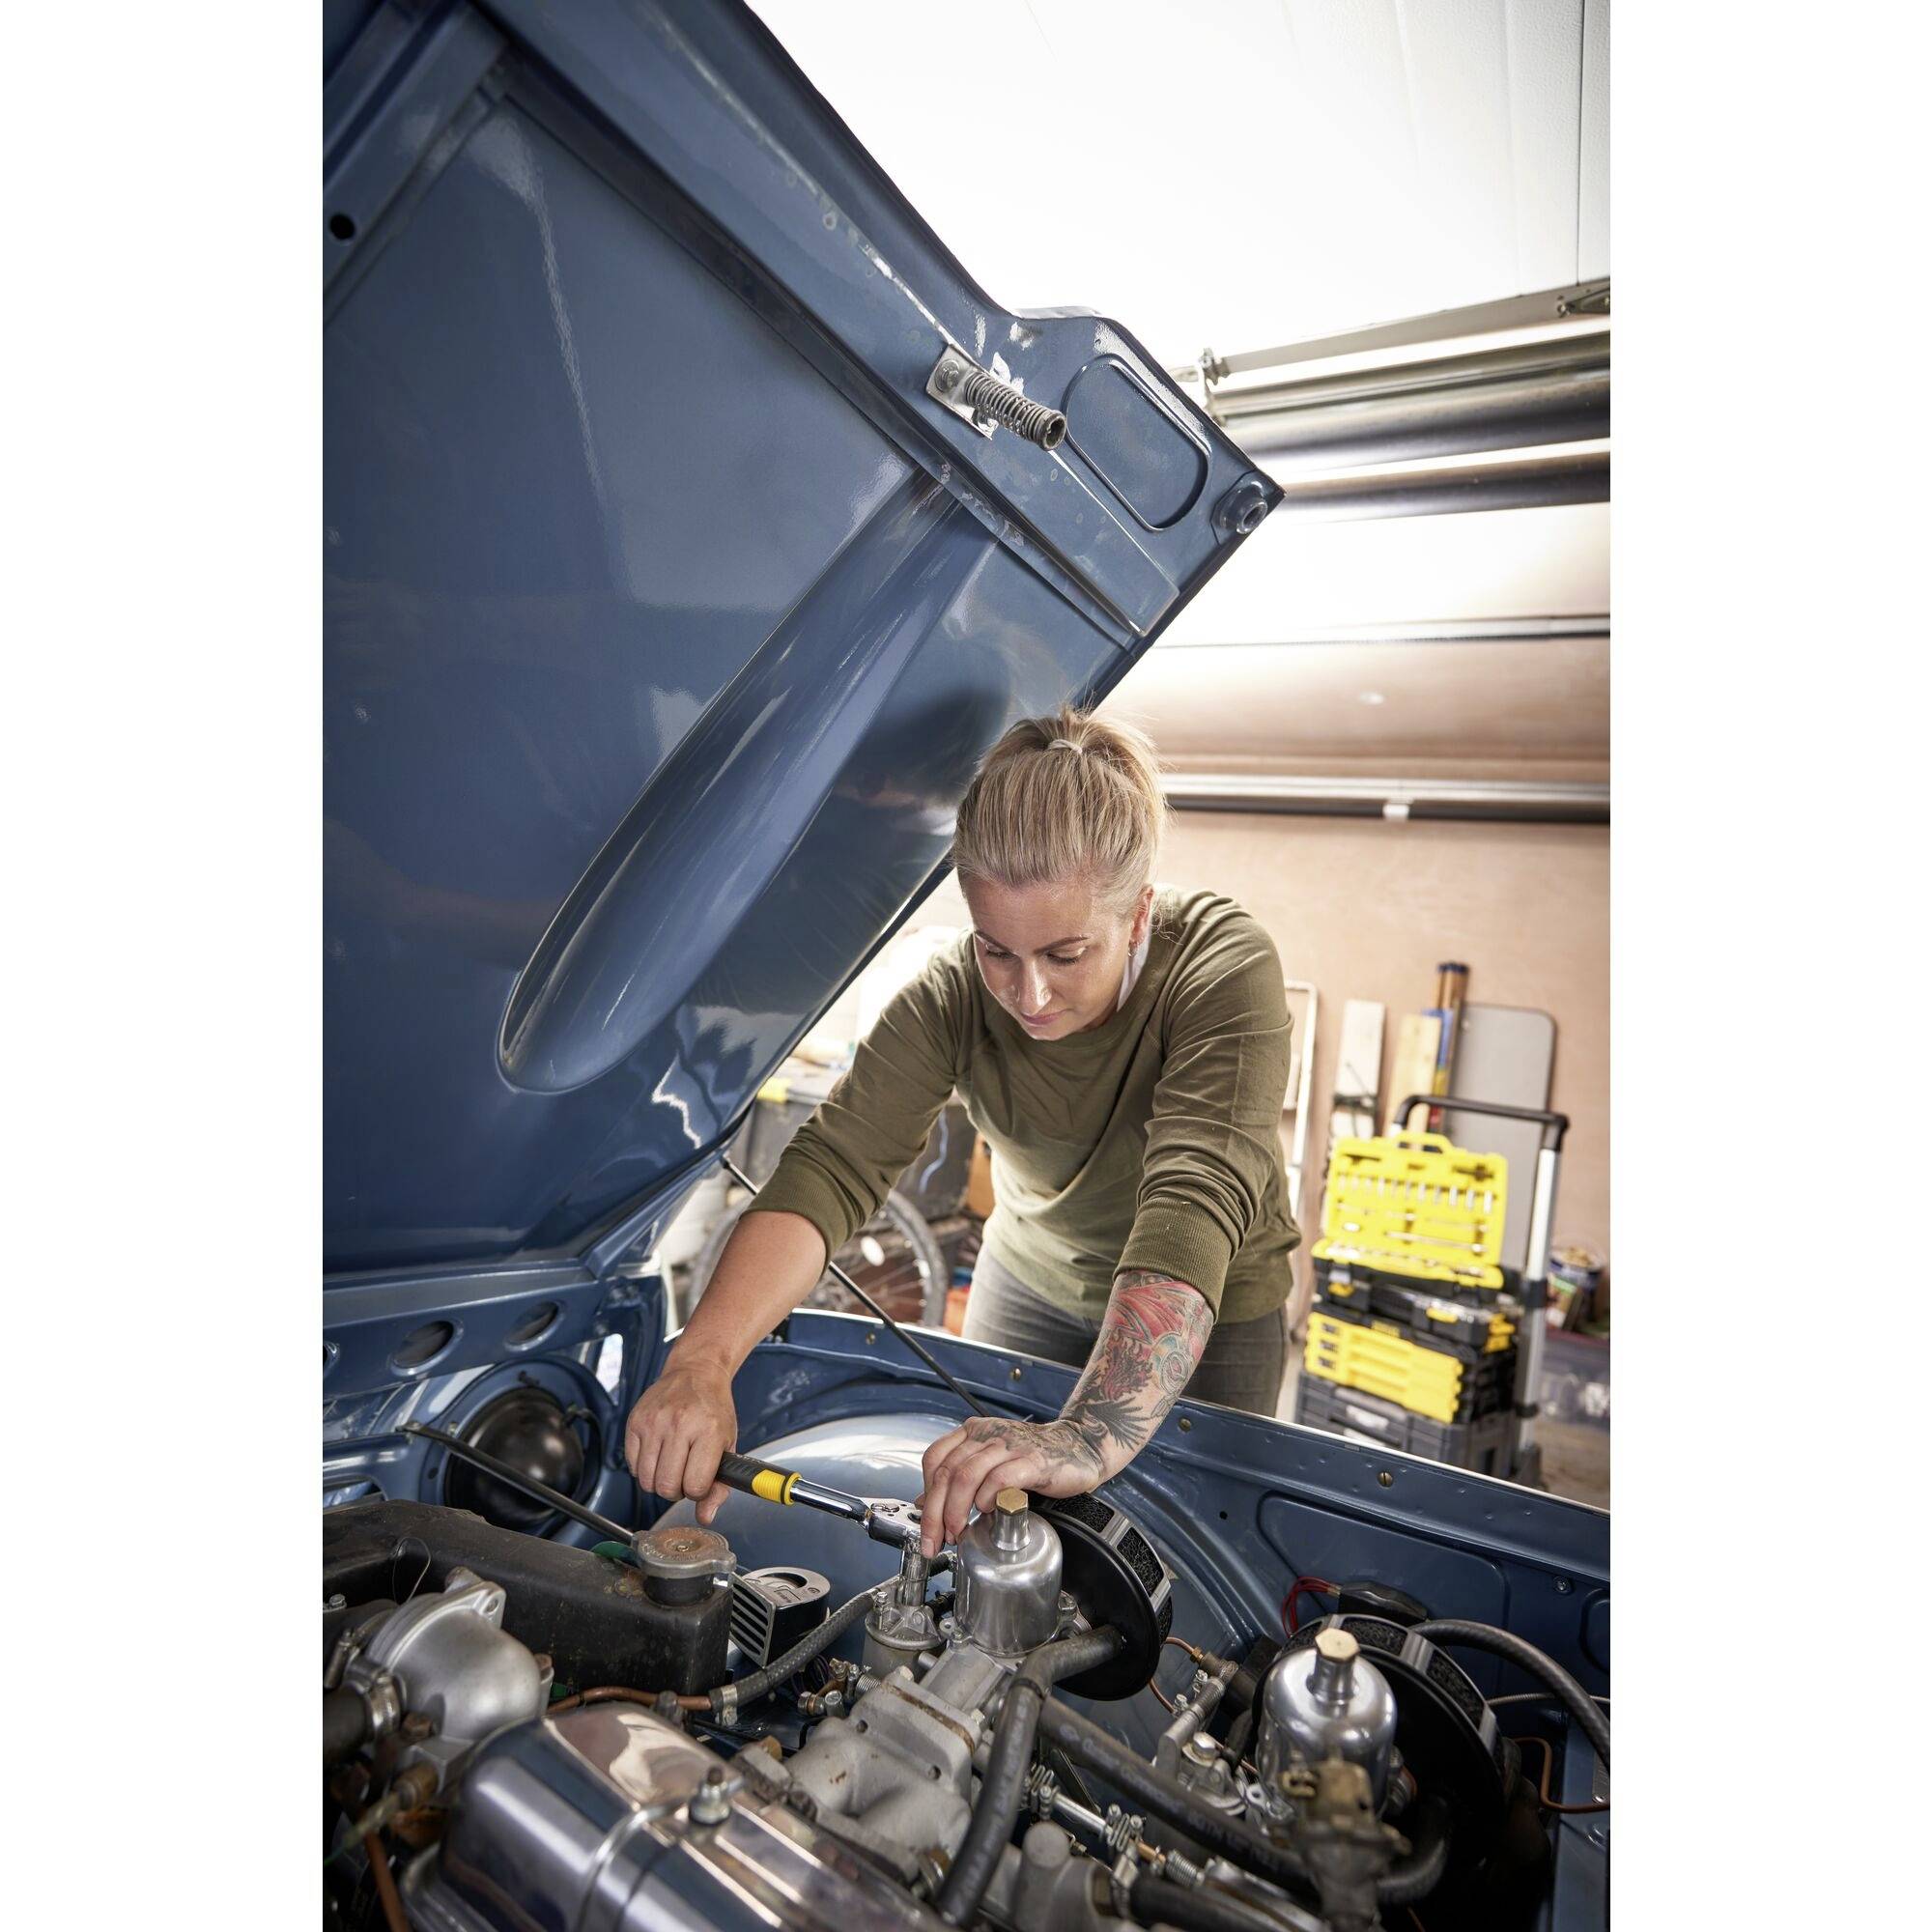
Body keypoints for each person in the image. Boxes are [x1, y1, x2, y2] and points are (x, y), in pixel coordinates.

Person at [624, 706, 1299, 1559]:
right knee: (989, 1537)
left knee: (1197, 1562)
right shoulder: (949, 992)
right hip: (1029, 1282)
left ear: (1138, 918)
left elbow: (1196, 1194)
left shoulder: (1222, 968)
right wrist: (703, 1361)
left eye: (1064, 954)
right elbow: (833, 1167)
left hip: (1213, 1312)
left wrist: (1090, 1435)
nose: (1029, 997)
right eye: (997, 952)